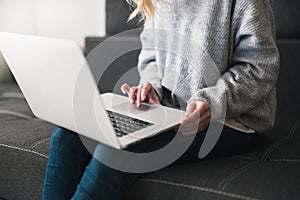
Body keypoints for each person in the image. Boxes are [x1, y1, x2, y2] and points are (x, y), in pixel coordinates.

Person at [42, 0, 279, 199]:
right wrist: (153, 87)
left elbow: (259, 68)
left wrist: (213, 102)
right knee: (67, 136)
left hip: (231, 120)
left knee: (115, 154)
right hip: (171, 112)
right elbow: (152, 59)